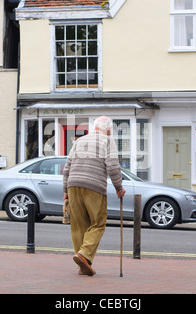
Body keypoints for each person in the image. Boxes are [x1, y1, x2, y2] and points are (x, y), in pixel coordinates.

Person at [63, 116, 126, 276]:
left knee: (79, 226)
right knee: (98, 223)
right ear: (109, 130)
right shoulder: (107, 140)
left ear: (94, 128)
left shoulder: (79, 141)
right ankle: (84, 255)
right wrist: (119, 187)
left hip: (73, 185)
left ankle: (83, 264)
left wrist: (65, 191)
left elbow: (67, 167)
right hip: (94, 186)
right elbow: (112, 165)